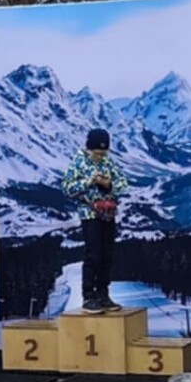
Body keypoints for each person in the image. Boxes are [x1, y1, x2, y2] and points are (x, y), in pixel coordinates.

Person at [62, 128, 127, 311]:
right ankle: (88, 296)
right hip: (89, 214)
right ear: (89, 149)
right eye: (97, 153)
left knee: (107, 255)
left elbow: (123, 183)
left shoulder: (108, 162)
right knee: (93, 254)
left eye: (103, 153)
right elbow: (67, 188)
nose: (100, 157)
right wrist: (89, 182)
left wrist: (109, 185)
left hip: (108, 213)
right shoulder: (78, 163)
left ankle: (103, 294)